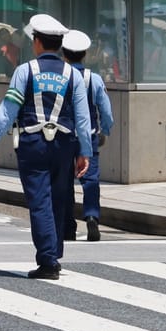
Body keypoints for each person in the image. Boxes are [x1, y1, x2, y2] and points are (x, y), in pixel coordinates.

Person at [0, 14, 91, 279]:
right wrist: (85, 151)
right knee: (58, 199)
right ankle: (53, 253)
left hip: (32, 143)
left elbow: (8, 109)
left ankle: (48, 260)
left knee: (39, 200)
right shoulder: (72, 75)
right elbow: (83, 117)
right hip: (65, 144)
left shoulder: (25, 71)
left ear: (38, 43)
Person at [61, 30, 114, 242]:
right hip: (89, 135)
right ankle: (92, 216)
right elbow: (106, 110)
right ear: (84, 54)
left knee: (64, 180)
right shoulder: (95, 79)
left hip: (63, 136)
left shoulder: (60, 78)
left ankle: (68, 226)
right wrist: (106, 130)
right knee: (90, 178)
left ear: (64, 54)